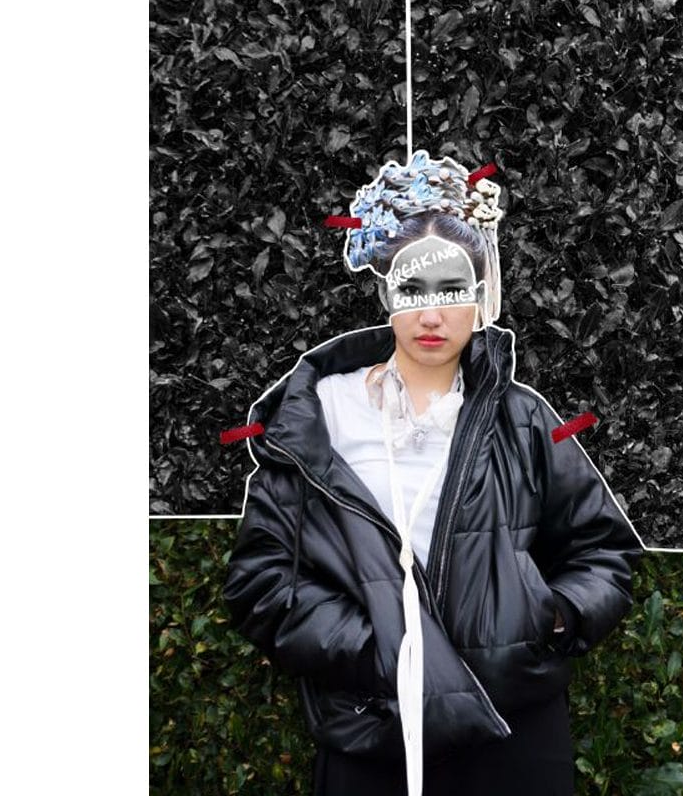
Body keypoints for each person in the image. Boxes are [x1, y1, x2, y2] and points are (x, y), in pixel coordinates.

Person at [222, 151, 642, 796]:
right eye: (412, 290)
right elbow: (262, 582)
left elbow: (603, 552)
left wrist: (548, 619)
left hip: (512, 726)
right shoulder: (317, 418)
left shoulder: (525, 419)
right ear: (386, 291)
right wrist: (373, 653)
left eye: (452, 290)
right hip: (371, 726)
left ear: (479, 298)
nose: (431, 314)